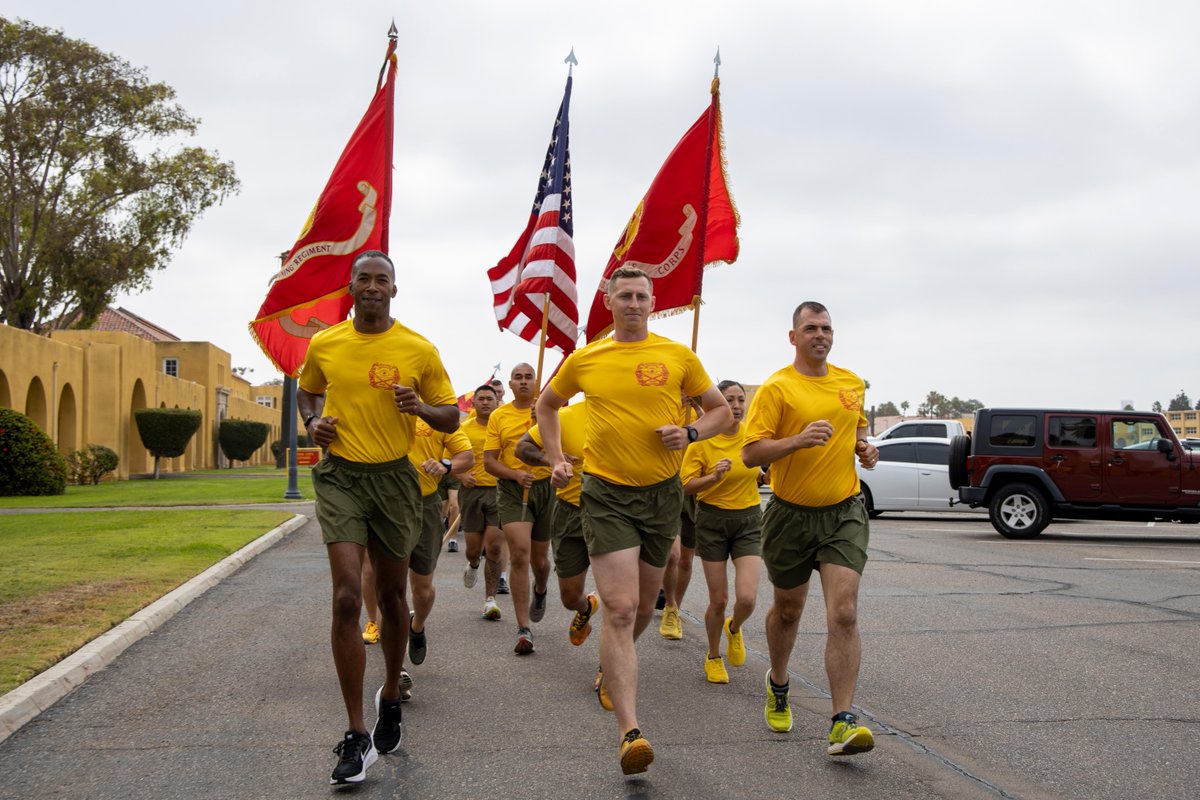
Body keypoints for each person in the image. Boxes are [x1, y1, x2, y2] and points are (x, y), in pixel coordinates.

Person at [536, 266, 732, 775]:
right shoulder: (587, 358)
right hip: (605, 494)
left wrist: (690, 435)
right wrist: (556, 458)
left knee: (645, 605)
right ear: (608, 299)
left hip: (662, 494)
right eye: (624, 295)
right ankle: (630, 732)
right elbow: (547, 405)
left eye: (642, 296)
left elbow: (720, 413)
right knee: (621, 610)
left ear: (652, 302)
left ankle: (611, 665)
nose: (633, 303)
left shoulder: (677, 356)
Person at [297, 250, 459, 786]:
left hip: (395, 481)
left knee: (392, 598)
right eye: (363, 278)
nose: (371, 286)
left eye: (381, 279)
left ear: (394, 289)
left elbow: (451, 414)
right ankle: (355, 733)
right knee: (347, 596)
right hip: (340, 475)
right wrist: (314, 421)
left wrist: (420, 408)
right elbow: (307, 390)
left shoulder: (418, 348)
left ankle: (390, 691)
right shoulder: (326, 343)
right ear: (351, 287)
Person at [741, 300, 879, 757]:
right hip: (789, 513)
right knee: (788, 612)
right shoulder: (777, 389)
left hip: (843, 511)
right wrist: (797, 441)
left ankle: (842, 721)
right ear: (793, 336)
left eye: (826, 328)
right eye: (811, 328)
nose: (821, 334)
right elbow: (751, 454)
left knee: (844, 612)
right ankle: (778, 681)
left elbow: (855, 432)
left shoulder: (851, 383)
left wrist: (865, 450)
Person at [681, 380, 763, 684]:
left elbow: (760, 468)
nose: (737, 406)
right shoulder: (702, 439)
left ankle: (734, 628)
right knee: (718, 600)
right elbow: (686, 486)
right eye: (729, 400)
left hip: (749, 521)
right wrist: (714, 476)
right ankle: (714, 656)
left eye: (741, 400)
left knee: (747, 598)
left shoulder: (753, 436)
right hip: (712, 521)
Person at [516, 400, 600, 650]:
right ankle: (586, 607)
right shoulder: (564, 415)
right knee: (570, 597)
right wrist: (551, 459)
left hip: (614, 513)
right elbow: (522, 448)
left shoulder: (633, 414)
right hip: (570, 512)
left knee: (620, 600)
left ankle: (610, 668)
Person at [484, 363, 553, 654]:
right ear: (510, 385)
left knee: (540, 561)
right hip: (513, 490)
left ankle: (540, 589)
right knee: (520, 555)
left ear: (537, 382)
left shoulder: (550, 410)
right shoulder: (499, 415)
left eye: (529, 377)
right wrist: (514, 474)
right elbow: (489, 461)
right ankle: (524, 628)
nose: (524, 382)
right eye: (518, 378)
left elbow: (563, 450)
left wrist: (546, 425)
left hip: (546, 488)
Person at [407, 417, 474, 665]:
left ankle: (416, 627)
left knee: (422, 590)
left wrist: (445, 464)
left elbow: (467, 456)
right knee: (388, 588)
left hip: (425, 505)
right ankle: (396, 670)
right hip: (387, 505)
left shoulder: (435, 414)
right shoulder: (379, 406)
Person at [458, 383, 506, 619]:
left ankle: (490, 599)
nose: (486, 402)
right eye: (481, 399)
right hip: (471, 492)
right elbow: (450, 459)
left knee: (495, 548)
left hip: (500, 492)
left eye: (490, 398)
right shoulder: (463, 429)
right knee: (473, 550)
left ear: (497, 402)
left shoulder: (503, 428)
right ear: (474, 403)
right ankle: (474, 563)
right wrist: (460, 475)